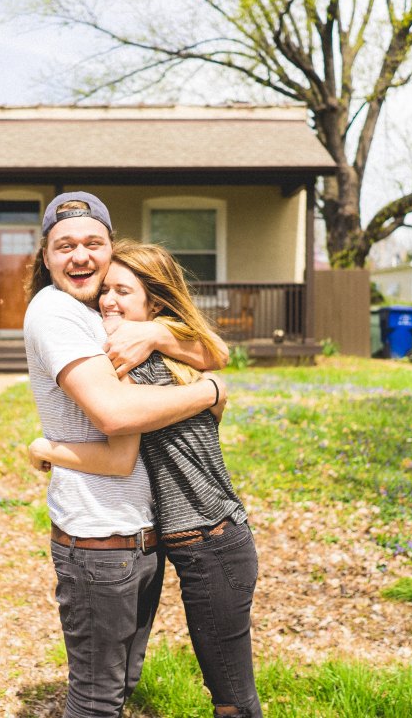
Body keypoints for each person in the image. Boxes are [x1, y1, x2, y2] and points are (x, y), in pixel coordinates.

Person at [29, 241, 260, 718]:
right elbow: (216, 354)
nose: (108, 301)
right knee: (228, 693)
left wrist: (48, 448)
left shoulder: (133, 359)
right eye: (104, 292)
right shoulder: (169, 355)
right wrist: (208, 385)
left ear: (153, 303)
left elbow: (119, 449)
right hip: (197, 538)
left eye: (123, 291)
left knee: (233, 697)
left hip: (213, 539)